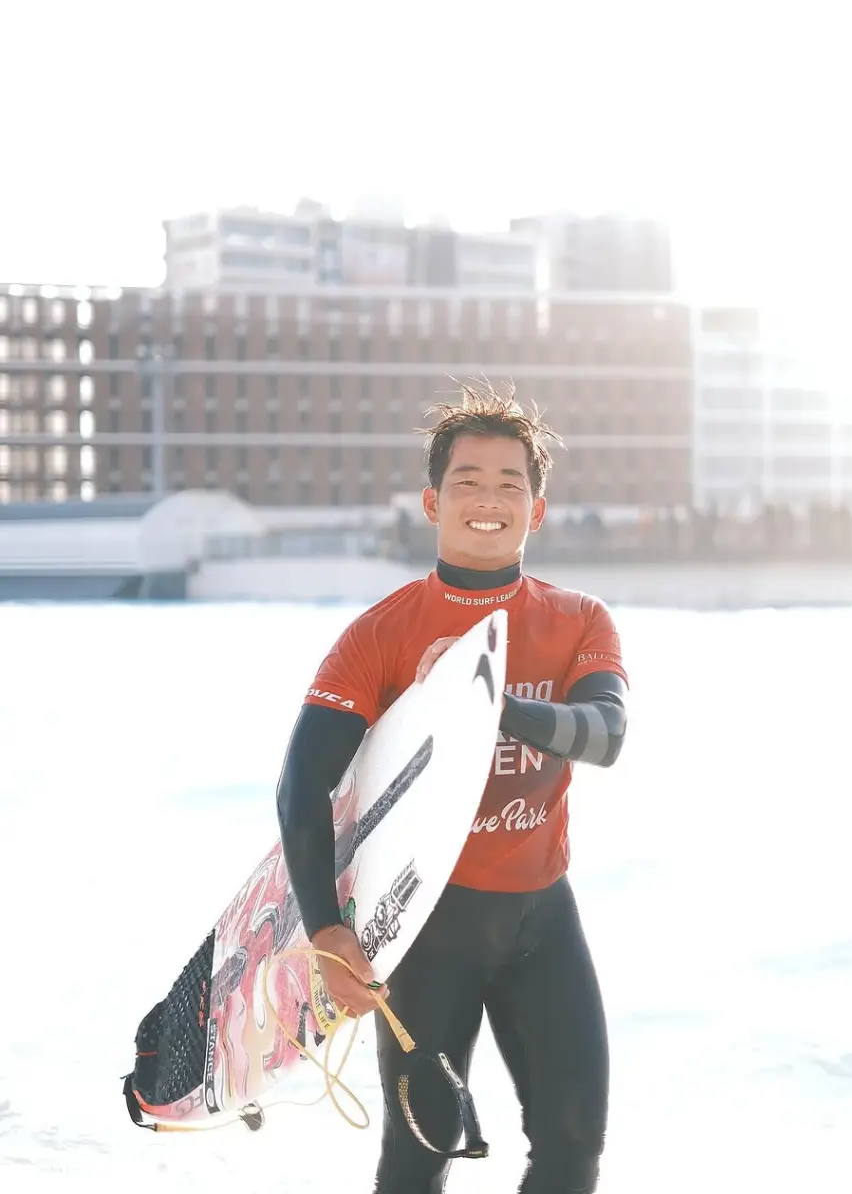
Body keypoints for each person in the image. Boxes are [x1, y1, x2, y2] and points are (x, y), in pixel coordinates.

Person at [276, 379, 629, 1193]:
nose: (488, 500)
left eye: (511, 484)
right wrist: (329, 934)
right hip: (427, 933)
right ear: (433, 501)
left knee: (574, 1140)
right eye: (467, 482)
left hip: (542, 913)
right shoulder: (380, 636)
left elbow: (605, 734)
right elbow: (303, 789)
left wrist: (486, 703)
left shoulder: (577, 619)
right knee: (421, 1150)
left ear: (535, 512)